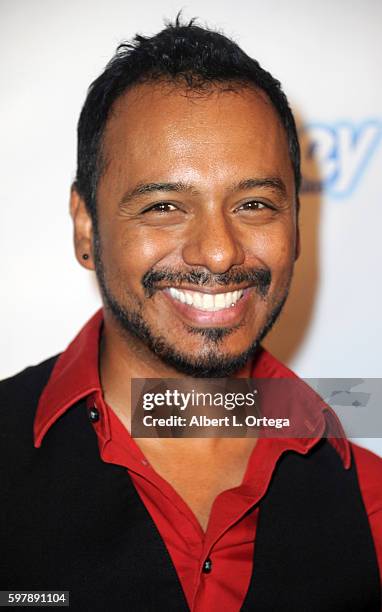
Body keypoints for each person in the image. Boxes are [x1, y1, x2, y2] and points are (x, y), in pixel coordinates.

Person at [1, 17, 381, 611]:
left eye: (254, 203)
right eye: (165, 206)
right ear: (86, 227)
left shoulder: (370, 498)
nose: (220, 251)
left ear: (297, 227)